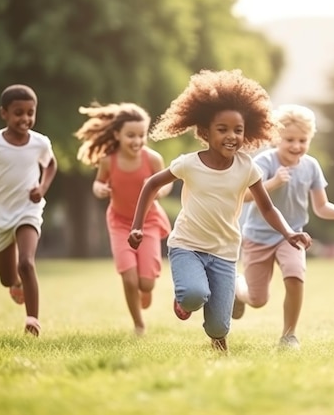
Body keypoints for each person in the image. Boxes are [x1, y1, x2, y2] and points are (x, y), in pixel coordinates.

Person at [128, 69, 312, 353]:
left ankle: (217, 338)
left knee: (219, 327)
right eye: (222, 129)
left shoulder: (247, 168)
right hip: (187, 246)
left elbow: (267, 207)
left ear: (247, 132)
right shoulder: (189, 163)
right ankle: (184, 299)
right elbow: (151, 183)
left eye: (238, 130)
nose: (231, 136)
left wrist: (289, 233)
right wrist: (137, 225)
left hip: (225, 253)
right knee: (193, 295)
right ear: (205, 132)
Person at [233, 104, 334, 350]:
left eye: (303, 140)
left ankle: (289, 335)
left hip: (293, 235)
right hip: (258, 236)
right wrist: (273, 182)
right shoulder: (265, 162)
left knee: (295, 275)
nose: (296, 146)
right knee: (258, 300)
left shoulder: (310, 166)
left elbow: (321, 207)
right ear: (276, 138)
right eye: (289, 139)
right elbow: (244, 196)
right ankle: (239, 289)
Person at [74, 102, 172, 336]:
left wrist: (160, 192)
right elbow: (99, 182)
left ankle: (145, 290)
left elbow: (165, 186)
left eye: (141, 135)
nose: (137, 141)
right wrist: (98, 189)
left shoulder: (153, 159)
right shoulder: (109, 161)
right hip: (119, 223)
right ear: (117, 134)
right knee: (129, 279)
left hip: (147, 222)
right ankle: (139, 324)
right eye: (130, 136)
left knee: (145, 283)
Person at [0, 84, 57, 336]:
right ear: (3, 113)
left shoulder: (40, 142)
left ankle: (33, 321)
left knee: (27, 263)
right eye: (19, 112)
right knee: (7, 278)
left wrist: (42, 187)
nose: (25, 118)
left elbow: (50, 165)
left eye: (31, 112)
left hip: (28, 210)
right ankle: (16, 283)